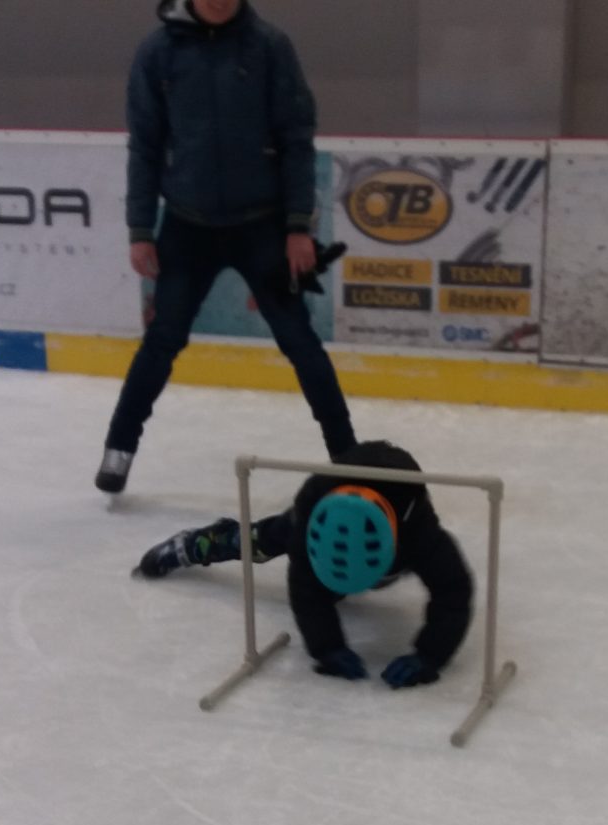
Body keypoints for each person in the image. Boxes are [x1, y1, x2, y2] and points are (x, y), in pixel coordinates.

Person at [98, 0, 356, 495]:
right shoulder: (158, 52)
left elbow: (296, 139)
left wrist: (298, 226)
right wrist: (139, 229)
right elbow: (144, 145)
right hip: (186, 229)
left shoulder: (270, 47)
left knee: (300, 341)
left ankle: (349, 456)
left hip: (262, 228)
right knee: (161, 341)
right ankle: (118, 449)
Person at [135, 442, 473, 689]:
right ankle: (194, 545)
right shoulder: (307, 521)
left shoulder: (420, 536)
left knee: (340, 583)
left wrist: (430, 655)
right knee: (258, 542)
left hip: (395, 520)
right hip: (323, 511)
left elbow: (454, 591)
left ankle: (350, 573)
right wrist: (327, 647)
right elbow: (306, 589)